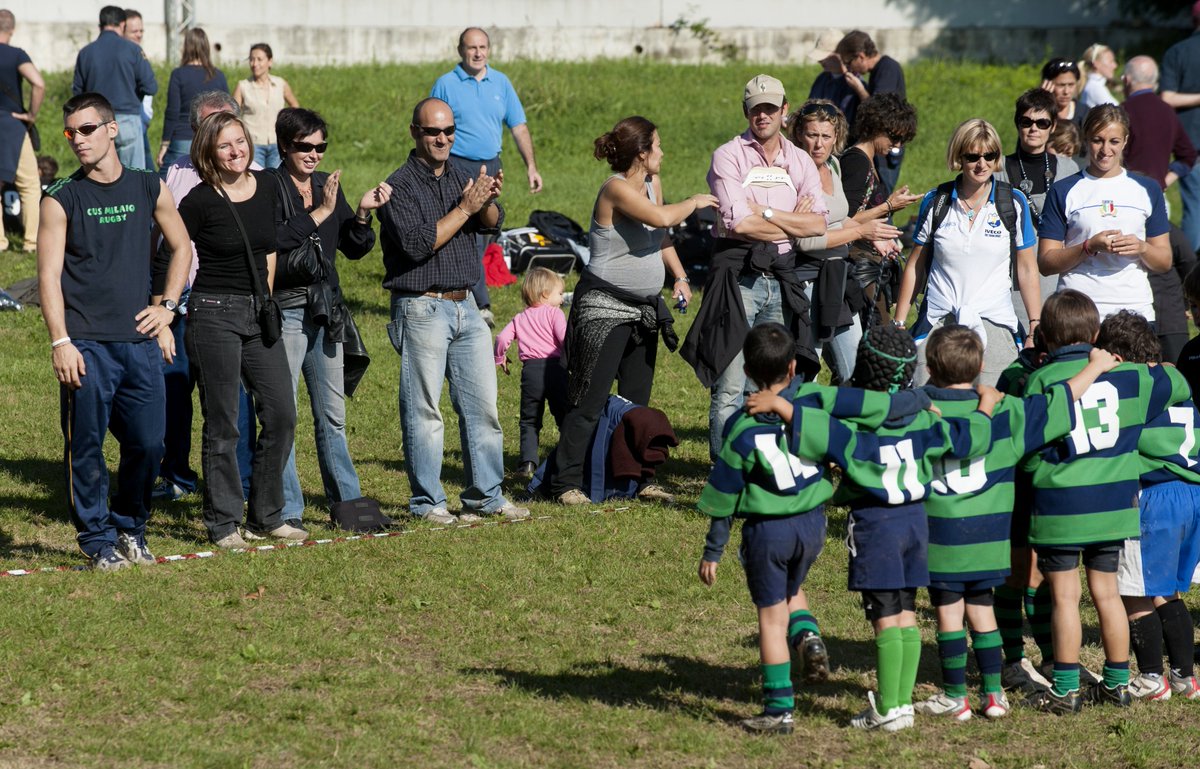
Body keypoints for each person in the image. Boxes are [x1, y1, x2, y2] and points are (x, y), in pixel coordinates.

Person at [749, 324, 999, 731]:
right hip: (916, 523)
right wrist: (983, 406)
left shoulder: (852, 428)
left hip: (876, 527)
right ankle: (900, 704)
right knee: (906, 615)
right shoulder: (923, 420)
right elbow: (970, 438)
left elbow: (819, 426)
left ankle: (887, 708)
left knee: (884, 618)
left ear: (864, 365)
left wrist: (781, 405)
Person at [914, 324, 1116, 721]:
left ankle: (956, 696)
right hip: (991, 537)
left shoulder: (919, 414)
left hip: (941, 537)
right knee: (983, 609)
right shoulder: (1006, 411)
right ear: (981, 366)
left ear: (931, 367)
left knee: (950, 615)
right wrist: (1093, 368)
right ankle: (993, 696)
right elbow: (1058, 403)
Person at [36, 92, 192, 570]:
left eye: (86, 130)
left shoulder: (149, 185)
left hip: (139, 341)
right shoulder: (60, 197)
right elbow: (46, 277)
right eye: (70, 132)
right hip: (85, 344)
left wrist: (167, 308)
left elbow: (182, 246)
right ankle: (97, 540)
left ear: (112, 129)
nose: (78, 140)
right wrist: (61, 341)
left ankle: (130, 527)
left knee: (149, 444)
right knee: (86, 446)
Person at [1022, 290, 1189, 713]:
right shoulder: (1131, 377)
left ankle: (1065, 688)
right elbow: (1178, 380)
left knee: (1064, 595)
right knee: (1108, 593)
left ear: (1047, 338)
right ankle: (1116, 683)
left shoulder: (1042, 380)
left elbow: (1030, 442)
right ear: (1095, 333)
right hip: (1116, 504)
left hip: (1062, 504)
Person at [378, 97, 529, 525]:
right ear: (415, 133)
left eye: (448, 131)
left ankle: (487, 496)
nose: (442, 139)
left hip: (468, 306)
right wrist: (466, 207)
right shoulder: (398, 187)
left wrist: (486, 201)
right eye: (432, 132)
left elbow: (492, 223)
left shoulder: (463, 174)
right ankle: (429, 503)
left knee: (483, 408)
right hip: (422, 307)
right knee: (424, 411)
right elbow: (417, 243)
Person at [550, 115, 713, 504]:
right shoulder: (615, 189)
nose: (663, 152)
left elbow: (660, 234)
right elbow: (661, 217)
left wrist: (679, 275)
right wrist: (694, 201)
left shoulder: (652, 184)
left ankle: (639, 479)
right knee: (590, 399)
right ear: (642, 153)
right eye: (657, 146)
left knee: (637, 400)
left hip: (643, 309)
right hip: (603, 307)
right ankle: (565, 483)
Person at [696, 324, 840, 735]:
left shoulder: (741, 430)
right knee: (793, 589)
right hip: (813, 527)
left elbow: (724, 497)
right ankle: (809, 635)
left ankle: (779, 709)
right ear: (794, 368)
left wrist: (713, 550)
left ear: (745, 369)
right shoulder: (808, 412)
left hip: (769, 531)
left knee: (771, 619)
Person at [682, 74, 827, 461]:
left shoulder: (798, 158)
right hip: (737, 277)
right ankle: (724, 470)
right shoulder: (728, 155)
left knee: (771, 382)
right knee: (730, 384)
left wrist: (762, 211)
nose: (762, 115)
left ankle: (760, 463)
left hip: (781, 277)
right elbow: (737, 224)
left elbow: (817, 224)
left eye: (770, 108)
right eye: (755, 108)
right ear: (746, 111)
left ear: (784, 111)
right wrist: (787, 219)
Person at [178, 111, 304, 548]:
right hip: (212, 312)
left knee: (282, 413)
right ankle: (224, 523)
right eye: (225, 146)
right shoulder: (197, 201)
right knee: (224, 421)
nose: (237, 151)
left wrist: (265, 301)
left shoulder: (268, 184)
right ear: (208, 153)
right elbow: (171, 251)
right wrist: (162, 304)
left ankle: (266, 515)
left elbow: (268, 248)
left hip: (257, 311)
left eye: (241, 142)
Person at [271, 106, 391, 527]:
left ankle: (349, 504)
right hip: (285, 312)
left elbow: (353, 248)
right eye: (305, 147)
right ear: (284, 145)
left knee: (332, 416)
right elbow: (277, 248)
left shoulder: (326, 186)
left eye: (321, 147)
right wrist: (317, 210)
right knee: (283, 415)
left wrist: (360, 212)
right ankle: (287, 510)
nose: (314, 155)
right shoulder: (269, 188)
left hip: (326, 313)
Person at [150, 90, 261, 504]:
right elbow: (158, 237)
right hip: (177, 300)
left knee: (232, 397)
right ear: (197, 133)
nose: (225, 141)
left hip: (229, 299)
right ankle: (176, 474)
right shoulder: (175, 172)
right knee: (174, 389)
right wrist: (157, 296)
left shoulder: (254, 173)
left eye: (230, 128)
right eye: (212, 129)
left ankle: (242, 481)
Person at [1097, 311, 1200, 702]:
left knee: (1135, 593)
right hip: (1192, 492)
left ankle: (1152, 678)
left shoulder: (1128, 383)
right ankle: (1184, 678)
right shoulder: (1175, 377)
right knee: (1169, 592)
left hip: (1156, 496)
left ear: (1116, 356)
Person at [893, 119, 1040, 387]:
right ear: (959, 157)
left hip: (995, 320)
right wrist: (899, 324)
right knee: (929, 404)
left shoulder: (1013, 202)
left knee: (994, 405)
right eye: (973, 156)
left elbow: (1028, 268)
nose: (982, 163)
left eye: (990, 155)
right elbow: (915, 265)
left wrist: (1034, 324)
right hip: (938, 320)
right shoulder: (937, 201)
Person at [431, 27, 543, 326]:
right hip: (457, 165)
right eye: (472, 47)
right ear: (460, 51)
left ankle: (468, 295)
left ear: (489, 49)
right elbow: (429, 127)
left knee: (485, 232)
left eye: (483, 47)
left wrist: (531, 166)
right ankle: (480, 304)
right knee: (463, 231)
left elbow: (518, 126)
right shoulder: (446, 84)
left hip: (491, 165)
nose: (478, 53)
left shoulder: (501, 82)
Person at [787, 99, 901, 382]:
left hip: (836, 277)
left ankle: (848, 424)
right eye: (812, 135)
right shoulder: (794, 172)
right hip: (807, 281)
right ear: (799, 134)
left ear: (836, 137)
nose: (818, 144)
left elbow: (838, 219)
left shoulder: (834, 166)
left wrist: (877, 236)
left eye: (826, 136)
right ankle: (797, 423)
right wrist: (861, 233)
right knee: (806, 370)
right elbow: (807, 241)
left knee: (855, 367)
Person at [1038, 105, 1172, 324]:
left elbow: (1164, 261)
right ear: (1085, 139)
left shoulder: (1148, 188)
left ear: (1125, 141)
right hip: (1077, 315)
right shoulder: (1063, 190)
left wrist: (1142, 247)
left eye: (1114, 141)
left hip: (1134, 312)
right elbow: (1046, 263)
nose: (1105, 149)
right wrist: (1088, 247)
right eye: (1097, 140)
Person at [1121, 55, 1198, 365]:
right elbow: (1188, 154)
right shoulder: (1167, 111)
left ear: (1127, 80)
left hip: (1126, 198)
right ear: (1153, 82)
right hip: (1158, 196)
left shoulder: (1123, 112)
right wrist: (1166, 177)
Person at [995, 89, 1081, 329]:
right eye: (1027, 122)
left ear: (1052, 127)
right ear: (1017, 124)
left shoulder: (1068, 169)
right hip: (1009, 279)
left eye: (1042, 123)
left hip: (1057, 277)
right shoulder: (997, 168)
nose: (1034, 129)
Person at [838, 92, 921, 326]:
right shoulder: (856, 162)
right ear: (875, 127)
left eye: (902, 140)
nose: (897, 146)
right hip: (858, 268)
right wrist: (888, 206)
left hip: (869, 263)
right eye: (894, 138)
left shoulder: (869, 161)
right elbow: (842, 218)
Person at [493, 267, 568, 478]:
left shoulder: (520, 318)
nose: (562, 298)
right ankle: (569, 457)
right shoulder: (555, 313)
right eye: (560, 294)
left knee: (529, 420)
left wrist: (500, 357)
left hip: (531, 372)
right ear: (545, 294)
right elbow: (564, 338)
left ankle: (527, 463)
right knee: (564, 415)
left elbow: (501, 339)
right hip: (555, 369)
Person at [71, 6, 157, 170]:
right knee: (133, 176)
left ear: (100, 25)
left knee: (99, 175)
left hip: (95, 122)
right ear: (123, 24)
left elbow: (77, 93)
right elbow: (150, 87)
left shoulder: (85, 53)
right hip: (127, 120)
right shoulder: (133, 50)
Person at [833, 30, 906, 192]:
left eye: (848, 62)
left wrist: (859, 88)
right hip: (882, 146)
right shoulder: (879, 71)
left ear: (861, 56)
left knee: (881, 197)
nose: (848, 68)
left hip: (886, 149)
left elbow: (880, 112)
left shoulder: (888, 69)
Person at [0, 8, 42, 253]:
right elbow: (38, 83)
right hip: (12, 126)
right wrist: (31, 115)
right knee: (29, 184)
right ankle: (32, 242)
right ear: (11, 30)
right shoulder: (16, 55)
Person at [158, 28, 228, 171]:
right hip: (212, 137)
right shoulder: (218, 75)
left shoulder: (178, 74)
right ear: (206, 47)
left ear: (186, 47)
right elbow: (227, 112)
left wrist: (165, 144)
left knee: (168, 185)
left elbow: (172, 111)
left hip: (183, 137)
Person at [1161, 1, 1200, 252]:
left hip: (1191, 140)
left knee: (1195, 206)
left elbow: (1167, 98)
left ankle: (1190, 270)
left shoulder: (1177, 52)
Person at [232, 43, 298, 170]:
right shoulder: (243, 86)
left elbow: (295, 106)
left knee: (277, 180)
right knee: (256, 180)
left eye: (259, 59)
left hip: (277, 143)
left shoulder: (280, 84)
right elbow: (232, 115)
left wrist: (289, 129)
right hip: (253, 144)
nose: (254, 63)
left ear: (270, 61)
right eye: (251, 59)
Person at [121, 8, 153, 173]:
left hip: (141, 121)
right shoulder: (131, 55)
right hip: (133, 122)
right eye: (134, 31)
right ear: (122, 30)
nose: (139, 35)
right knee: (141, 172)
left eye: (141, 30)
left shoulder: (138, 53)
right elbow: (150, 87)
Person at [805, 29, 856, 126]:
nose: (820, 61)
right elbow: (809, 109)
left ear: (839, 55)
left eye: (825, 57)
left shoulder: (854, 84)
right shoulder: (822, 79)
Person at [1041, 58, 1086, 131]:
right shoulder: (1037, 115)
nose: (1066, 92)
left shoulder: (1084, 113)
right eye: (1061, 85)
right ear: (1047, 84)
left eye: (1071, 85)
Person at [1079, 43, 1120, 111]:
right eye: (1111, 61)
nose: (1115, 65)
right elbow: (1119, 113)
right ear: (1096, 64)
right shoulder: (1095, 87)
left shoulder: (1095, 85)